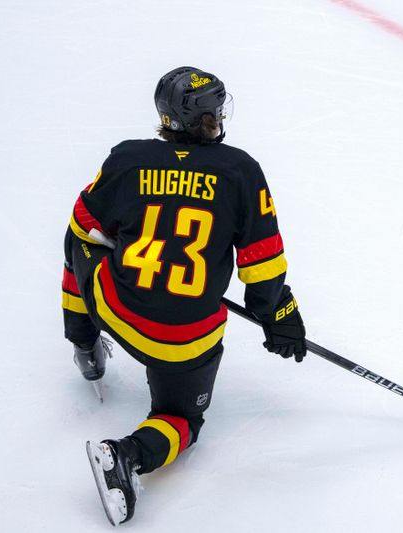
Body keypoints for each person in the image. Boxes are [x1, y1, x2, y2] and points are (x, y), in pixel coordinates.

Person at [61, 66, 307, 526]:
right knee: (180, 421)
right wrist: (282, 316)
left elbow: (82, 223)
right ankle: (128, 455)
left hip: (120, 310)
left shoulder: (127, 159)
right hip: (184, 340)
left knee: (79, 243)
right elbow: (263, 267)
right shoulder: (239, 171)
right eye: (213, 113)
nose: (217, 120)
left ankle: (83, 343)